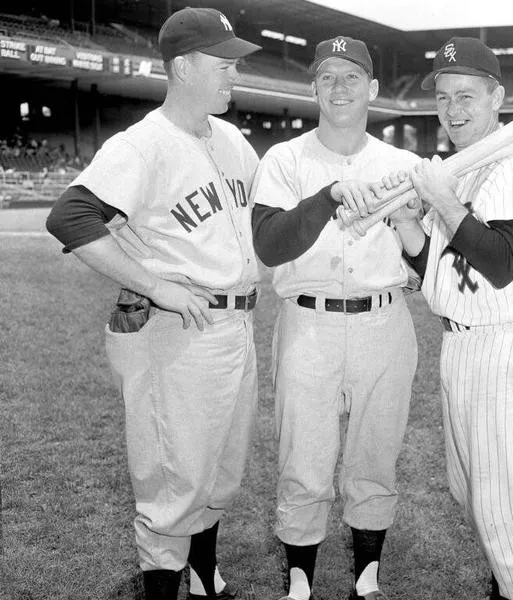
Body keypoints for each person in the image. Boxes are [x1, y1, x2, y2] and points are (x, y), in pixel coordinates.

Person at [45, 8, 262, 600]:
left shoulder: (233, 139)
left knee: (220, 472)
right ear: (185, 67)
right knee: (175, 482)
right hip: (178, 330)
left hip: (235, 324)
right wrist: (156, 284)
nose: (233, 74)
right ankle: (165, 587)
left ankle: (202, 580)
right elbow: (69, 216)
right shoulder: (142, 144)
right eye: (223, 64)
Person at [387, 37, 513, 600]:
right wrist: (409, 225)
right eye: (442, 97)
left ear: (497, 97)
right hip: (462, 344)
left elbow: (501, 263)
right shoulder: (463, 170)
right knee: (475, 492)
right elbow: (445, 273)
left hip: (503, 344)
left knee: (503, 501)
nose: (453, 109)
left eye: (467, 95)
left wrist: (444, 200)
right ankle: (506, 580)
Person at [250, 35, 419, 600]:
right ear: (313, 87)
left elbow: (427, 259)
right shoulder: (284, 159)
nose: (340, 87)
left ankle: (367, 577)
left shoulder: (404, 163)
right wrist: (326, 197)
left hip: (384, 320)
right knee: (304, 455)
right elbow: (271, 246)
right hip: (308, 322)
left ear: (372, 88)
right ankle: (299, 579)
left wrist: (414, 222)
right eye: (328, 77)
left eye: (352, 76)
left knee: (376, 451)